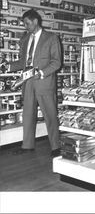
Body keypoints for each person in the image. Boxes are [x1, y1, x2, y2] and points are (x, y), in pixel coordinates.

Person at [6, 9, 62, 157]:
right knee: (28, 115)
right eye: (24, 24)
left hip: (44, 82)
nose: (25, 26)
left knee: (50, 115)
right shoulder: (25, 40)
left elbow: (57, 62)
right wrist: (8, 65)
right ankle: (27, 145)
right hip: (28, 82)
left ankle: (56, 147)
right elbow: (22, 62)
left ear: (35, 21)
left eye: (27, 23)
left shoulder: (51, 38)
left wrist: (42, 72)